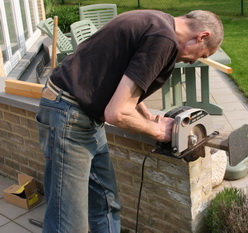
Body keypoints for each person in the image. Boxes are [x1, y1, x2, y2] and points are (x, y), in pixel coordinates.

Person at [36, 9, 223, 233]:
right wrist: (158, 131)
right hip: (69, 115)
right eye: (202, 56)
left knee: (107, 202)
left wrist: (144, 112)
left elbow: (122, 74)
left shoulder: (156, 20)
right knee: (67, 221)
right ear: (202, 36)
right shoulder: (164, 40)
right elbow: (116, 113)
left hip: (82, 113)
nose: (194, 62)